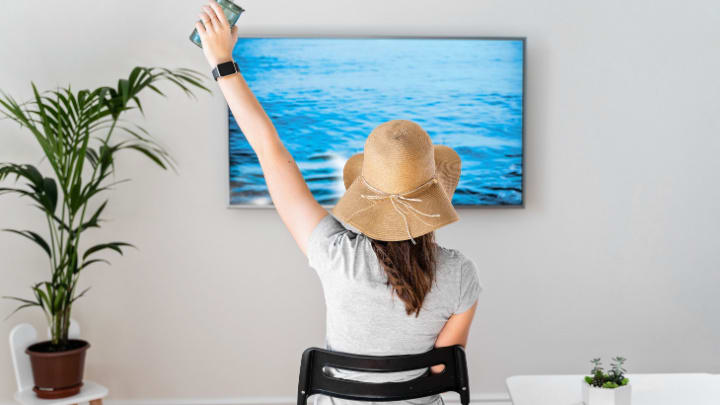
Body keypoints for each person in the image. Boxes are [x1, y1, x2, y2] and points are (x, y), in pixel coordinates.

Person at [195, 2, 482, 404]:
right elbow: (439, 370)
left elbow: (270, 152)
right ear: (433, 195)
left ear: (366, 190)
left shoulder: (335, 254)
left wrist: (222, 61)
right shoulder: (460, 274)